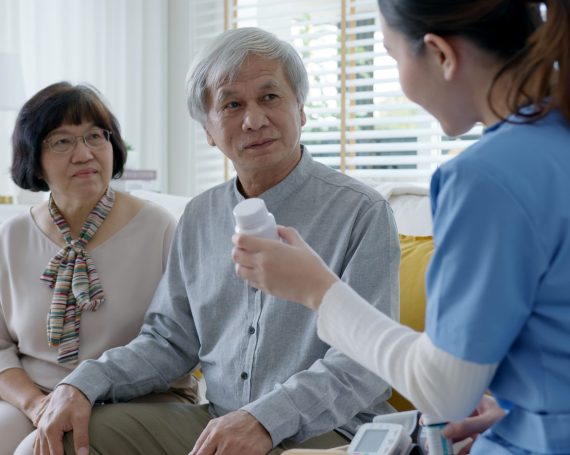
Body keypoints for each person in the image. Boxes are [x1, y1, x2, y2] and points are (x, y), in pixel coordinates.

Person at [34, 28, 400, 455]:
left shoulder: (362, 212)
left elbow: (364, 362)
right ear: (208, 130)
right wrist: (81, 383)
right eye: (231, 104)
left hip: (330, 431)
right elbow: (168, 341)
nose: (254, 120)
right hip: (217, 421)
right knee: (75, 433)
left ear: (300, 109)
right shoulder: (200, 215)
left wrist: (265, 419)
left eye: (269, 98)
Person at [232, 1, 570, 454]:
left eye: (392, 57)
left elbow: (443, 391)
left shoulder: (487, 178)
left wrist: (317, 289)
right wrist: (521, 411)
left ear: (440, 55)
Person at [0, 82, 197, 455]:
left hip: (135, 400)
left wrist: (80, 393)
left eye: (95, 136)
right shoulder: (12, 237)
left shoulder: (158, 228)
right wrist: (34, 403)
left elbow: (181, 342)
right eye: (62, 141)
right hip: (37, 397)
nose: (84, 154)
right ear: (33, 159)